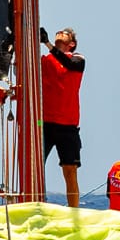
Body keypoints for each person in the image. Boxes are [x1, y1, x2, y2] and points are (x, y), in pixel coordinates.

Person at [40, 26, 86, 206]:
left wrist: (47, 43)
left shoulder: (78, 58)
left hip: (68, 125)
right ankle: (36, 203)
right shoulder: (44, 60)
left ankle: (74, 211)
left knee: (70, 170)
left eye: (65, 34)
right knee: (34, 167)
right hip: (43, 123)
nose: (59, 33)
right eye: (58, 32)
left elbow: (70, 64)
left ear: (72, 43)